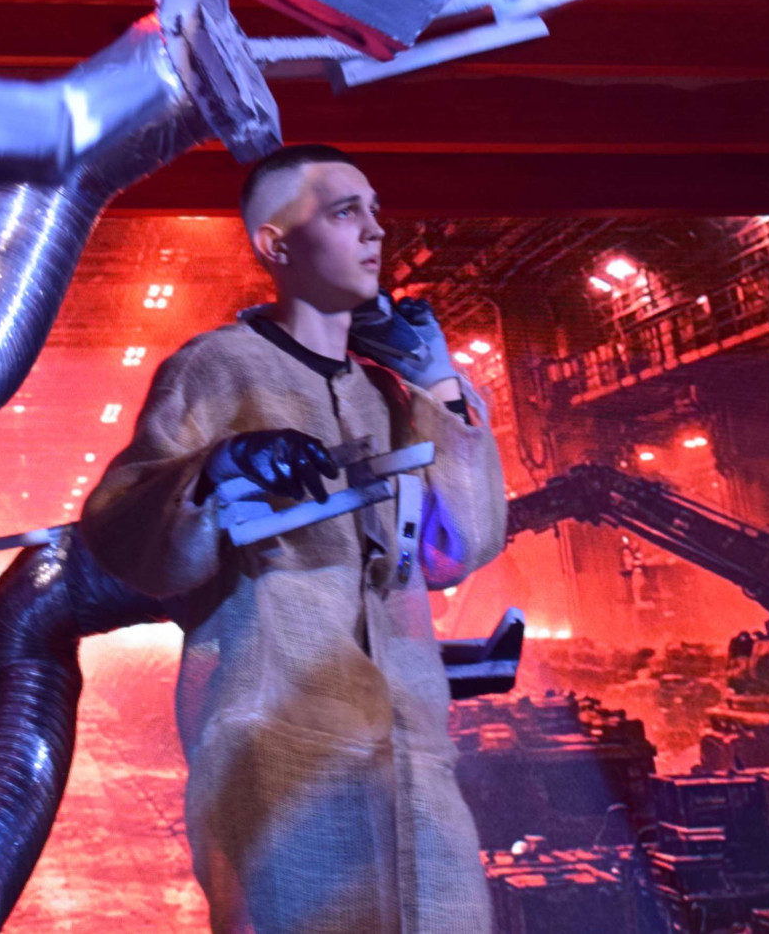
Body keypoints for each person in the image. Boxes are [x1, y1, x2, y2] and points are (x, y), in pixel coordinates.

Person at [82, 143, 508, 934]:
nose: (375, 230)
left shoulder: (387, 391)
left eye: (375, 210)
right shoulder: (215, 369)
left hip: (411, 753)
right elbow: (126, 533)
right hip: (280, 751)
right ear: (274, 243)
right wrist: (218, 467)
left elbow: (460, 548)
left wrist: (439, 384)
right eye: (346, 211)